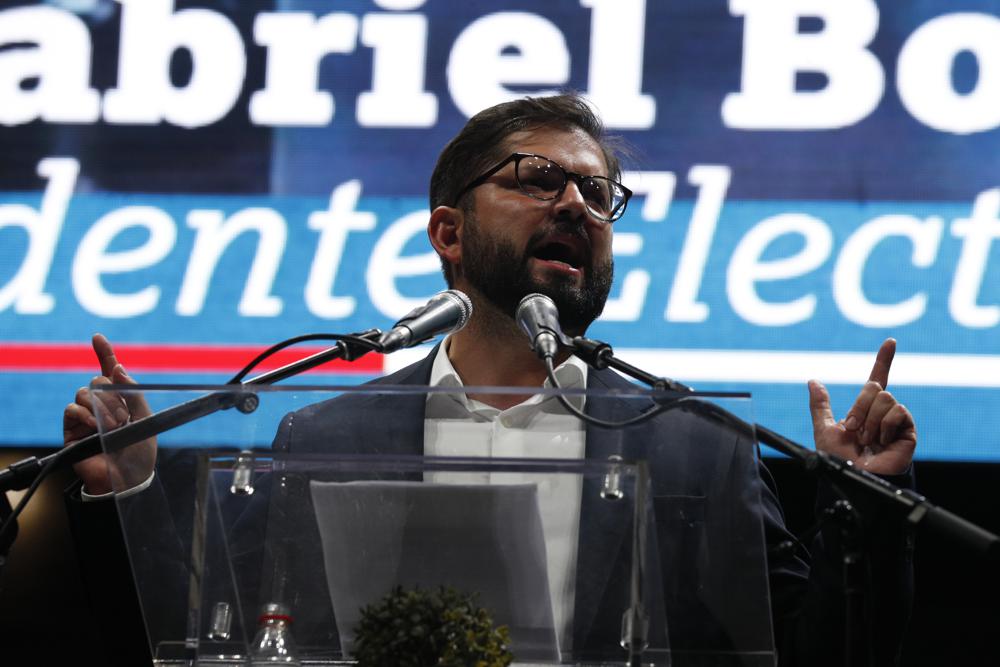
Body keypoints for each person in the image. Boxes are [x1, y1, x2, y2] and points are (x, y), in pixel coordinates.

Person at [64, 94, 916, 665]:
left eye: (598, 193)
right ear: (449, 232)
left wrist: (865, 507)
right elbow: (218, 642)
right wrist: (128, 490)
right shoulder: (323, 437)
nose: (577, 204)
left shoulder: (697, 444)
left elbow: (812, 652)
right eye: (538, 179)